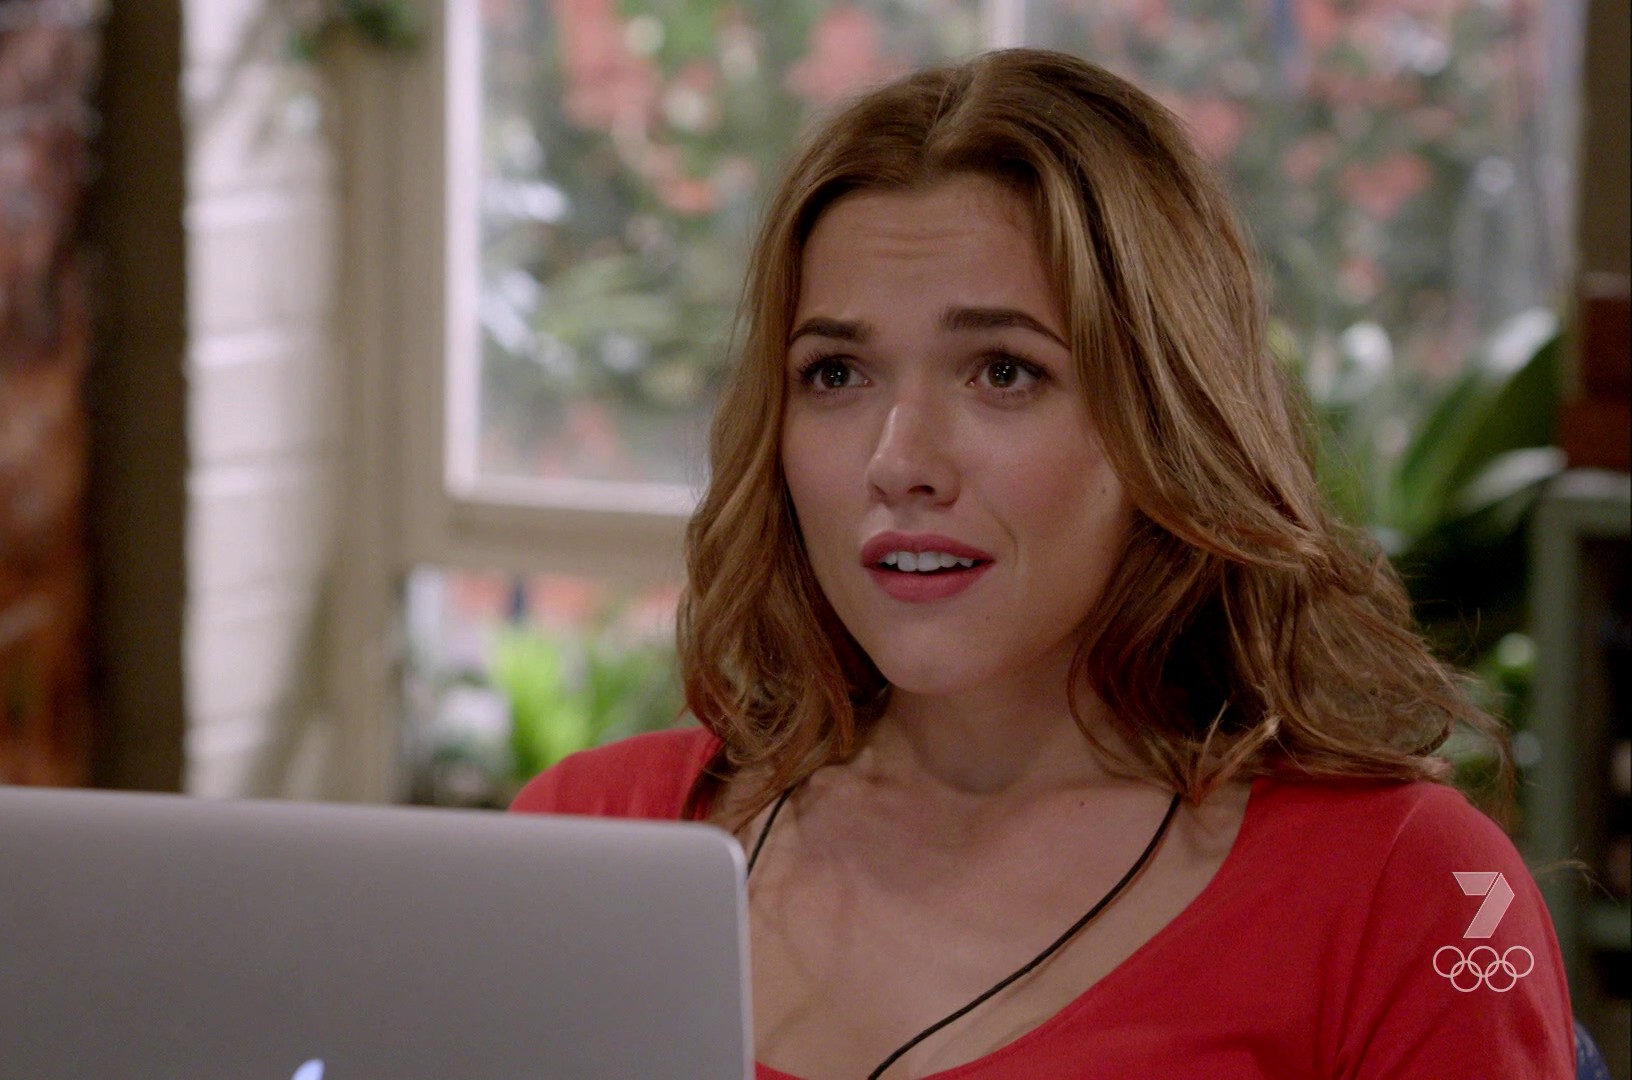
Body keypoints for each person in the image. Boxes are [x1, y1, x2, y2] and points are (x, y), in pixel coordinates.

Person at [510, 48, 1574, 1080]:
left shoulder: (1416, 892)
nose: (899, 461)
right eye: (836, 373)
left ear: (1168, 420)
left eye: (1003, 372)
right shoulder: (592, 840)